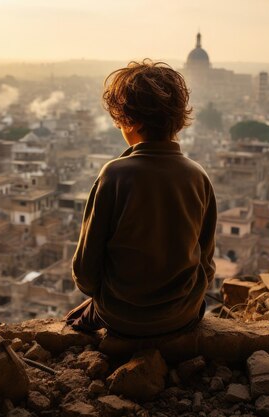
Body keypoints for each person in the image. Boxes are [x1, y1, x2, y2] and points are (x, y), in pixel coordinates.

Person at [65, 59, 217, 338]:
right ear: (178, 120)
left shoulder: (115, 175)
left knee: (78, 317)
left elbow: (85, 273)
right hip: (182, 316)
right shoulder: (198, 176)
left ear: (127, 120)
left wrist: (104, 300)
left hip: (119, 318)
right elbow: (206, 264)